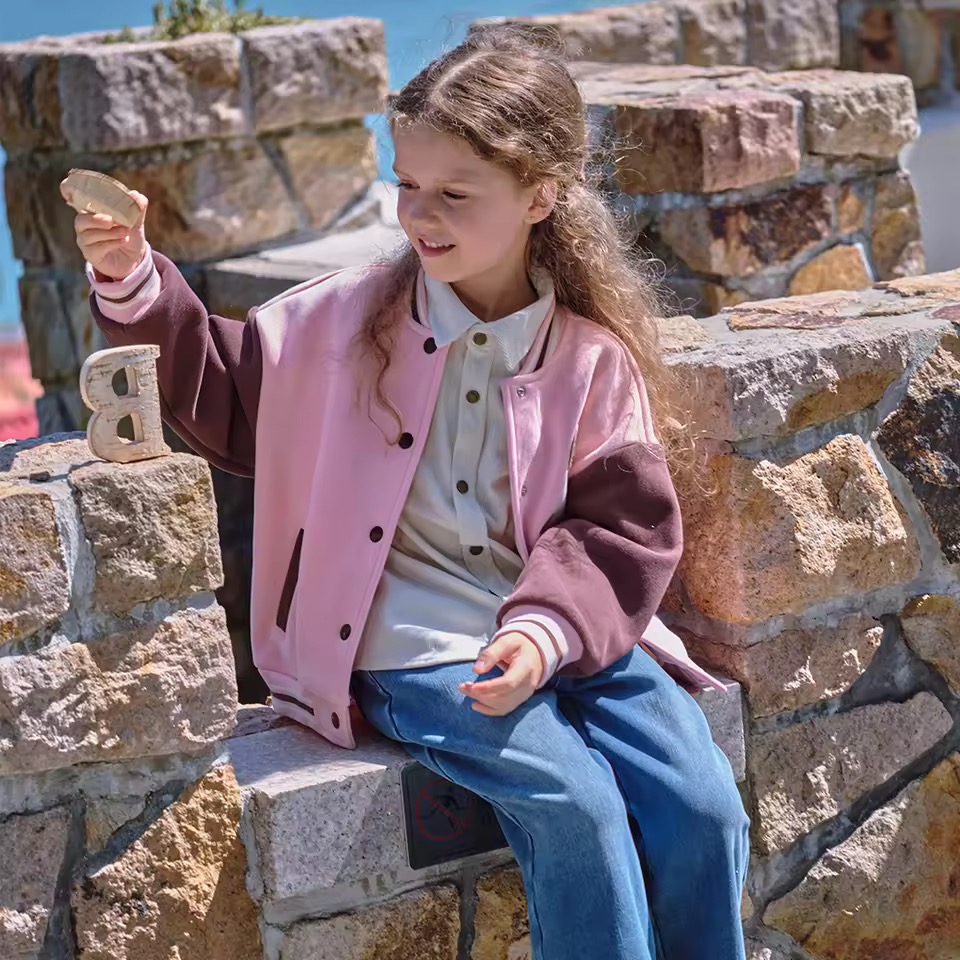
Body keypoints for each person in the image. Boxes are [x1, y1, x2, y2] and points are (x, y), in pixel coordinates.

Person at [66, 25, 749, 960]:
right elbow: (223, 393)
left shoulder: (590, 359)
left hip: (562, 628)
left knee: (703, 805)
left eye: (454, 194)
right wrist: (133, 277)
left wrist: (543, 632)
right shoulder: (337, 324)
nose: (420, 214)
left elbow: (617, 528)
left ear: (541, 194)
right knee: (576, 804)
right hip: (407, 640)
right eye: (406, 184)